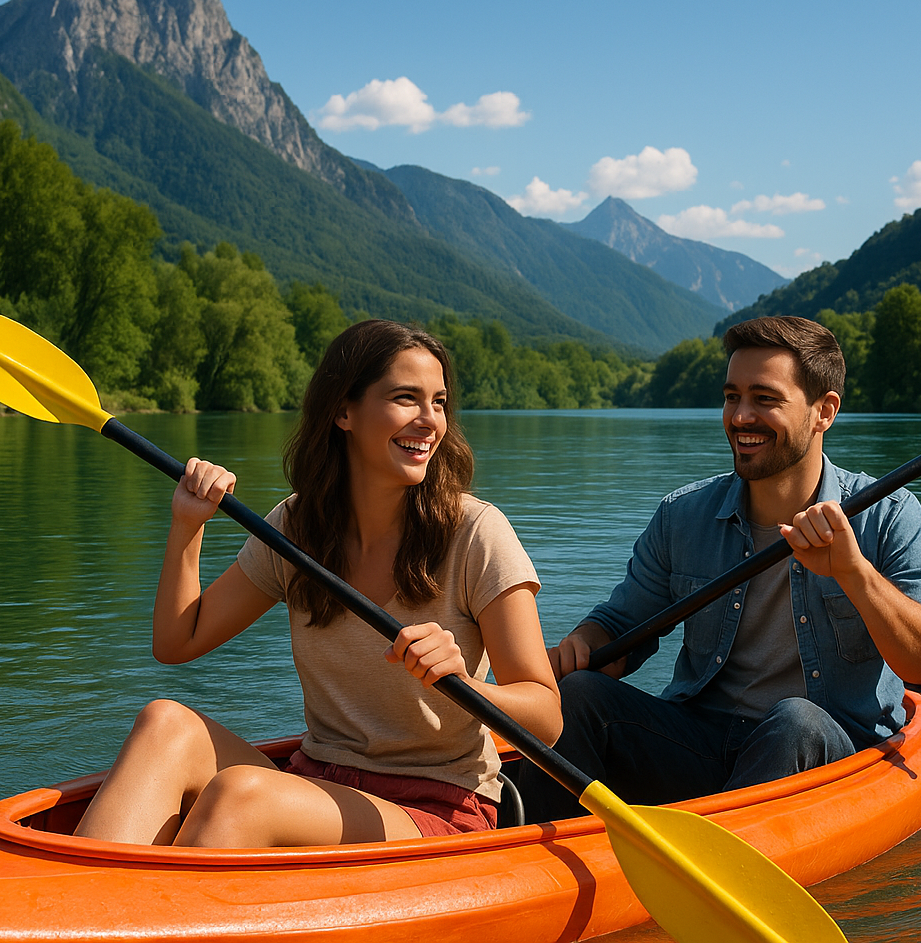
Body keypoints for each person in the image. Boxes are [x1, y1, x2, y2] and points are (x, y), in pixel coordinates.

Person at [74, 320, 561, 847]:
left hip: (434, 805)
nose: (429, 422)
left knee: (242, 795)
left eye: (439, 402)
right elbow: (177, 642)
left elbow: (547, 718)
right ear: (343, 412)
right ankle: (82, 909)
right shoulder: (296, 529)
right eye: (406, 398)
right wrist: (187, 526)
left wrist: (465, 684)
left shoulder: (476, 533)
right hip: (319, 783)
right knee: (164, 723)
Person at [519, 315, 921, 822]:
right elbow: (622, 626)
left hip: (833, 758)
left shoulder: (889, 515)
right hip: (703, 743)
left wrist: (855, 574)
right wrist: (585, 642)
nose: (740, 416)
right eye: (731, 396)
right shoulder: (682, 515)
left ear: (824, 411)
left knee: (795, 721)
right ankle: (533, 861)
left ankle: (714, 864)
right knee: (581, 694)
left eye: (764, 398)